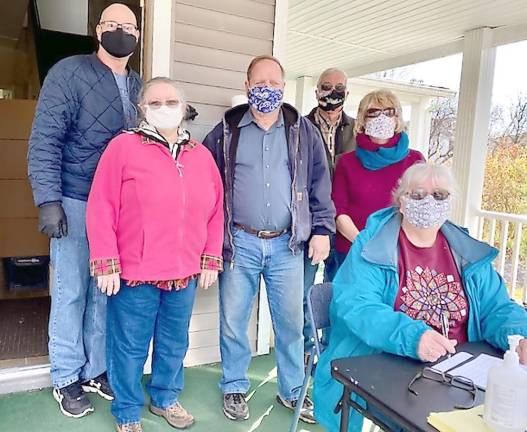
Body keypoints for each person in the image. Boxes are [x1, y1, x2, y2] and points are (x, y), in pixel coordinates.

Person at [313, 163, 527, 432]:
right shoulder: (372, 246)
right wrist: (414, 338)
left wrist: (520, 336)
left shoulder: (465, 252)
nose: (429, 201)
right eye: (418, 195)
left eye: (439, 195)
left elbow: (496, 307)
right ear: (401, 201)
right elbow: (357, 306)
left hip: (460, 372)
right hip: (391, 364)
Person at [86, 77, 224, 432]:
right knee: (130, 346)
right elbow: (101, 206)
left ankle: (165, 398)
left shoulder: (202, 156)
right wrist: (106, 262)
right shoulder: (123, 148)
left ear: (184, 108)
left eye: (172, 101)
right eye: (156, 102)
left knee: (174, 342)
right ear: (142, 109)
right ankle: (128, 411)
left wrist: (210, 256)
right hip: (135, 271)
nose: (164, 107)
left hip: (184, 271)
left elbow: (216, 209)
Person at [203, 55, 335, 424]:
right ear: (247, 87)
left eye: (276, 84)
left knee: (291, 323)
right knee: (233, 320)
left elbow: (319, 184)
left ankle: (291, 390)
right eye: (261, 83)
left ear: (284, 87)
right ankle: (233, 386)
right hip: (239, 243)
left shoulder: (301, 130)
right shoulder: (226, 131)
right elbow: (207, 188)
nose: (269, 90)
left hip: (287, 244)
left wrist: (322, 229)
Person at [27, 3, 142, 418]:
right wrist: (49, 200)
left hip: (118, 209)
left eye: (128, 27)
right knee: (72, 291)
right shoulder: (68, 72)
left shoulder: (137, 85)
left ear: (137, 35)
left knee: (104, 293)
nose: (120, 32)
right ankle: (65, 376)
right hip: (75, 200)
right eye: (112, 25)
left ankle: (96, 368)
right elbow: (45, 140)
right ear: (98, 30)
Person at [332, 89, 425, 268]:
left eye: (389, 112)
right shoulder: (346, 162)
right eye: (373, 112)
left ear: (397, 117)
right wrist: (364, 243)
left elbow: (420, 209)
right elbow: (339, 211)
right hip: (354, 250)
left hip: (400, 253)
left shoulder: (415, 161)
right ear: (362, 120)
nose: (381, 118)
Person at [303, 67, 356, 358]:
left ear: (346, 92)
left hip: (346, 227)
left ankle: (332, 350)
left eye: (339, 87)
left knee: (338, 292)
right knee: (305, 293)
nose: (332, 92)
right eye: (326, 86)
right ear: (316, 91)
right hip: (312, 225)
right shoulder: (300, 127)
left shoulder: (358, 130)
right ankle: (308, 352)